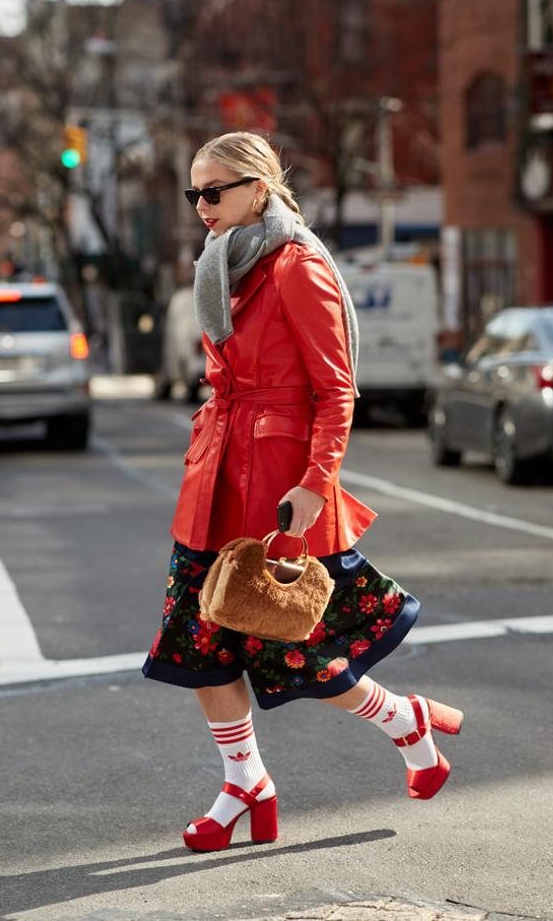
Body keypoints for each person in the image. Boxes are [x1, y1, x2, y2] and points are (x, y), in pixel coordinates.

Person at [143, 131, 463, 853]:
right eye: (194, 192)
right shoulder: (223, 264)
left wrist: (317, 484)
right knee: (196, 647)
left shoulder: (295, 266)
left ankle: (408, 724)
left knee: (299, 650)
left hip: (277, 482)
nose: (202, 205)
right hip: (215, 476)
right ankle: (245, 784)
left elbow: (335, 389)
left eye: (214, 190)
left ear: (257, 189)